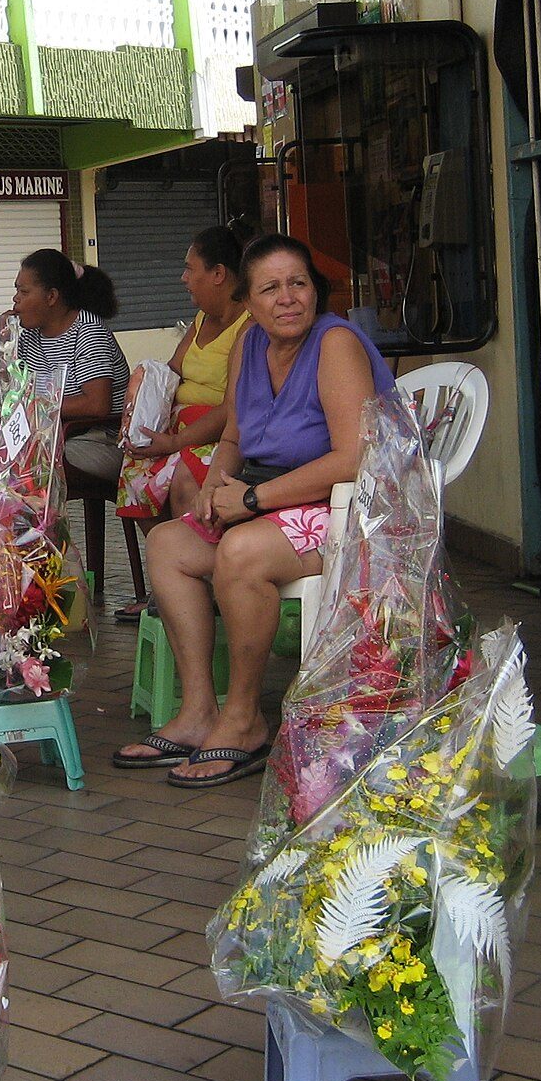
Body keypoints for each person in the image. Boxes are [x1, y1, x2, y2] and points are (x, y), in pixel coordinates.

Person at [113, 234, 394, 788]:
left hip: (344, 510)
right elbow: (236, 439)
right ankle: (198, 712)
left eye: (298, 283)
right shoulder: (252, 347)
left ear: (316, 291)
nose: (287, 298)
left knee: (240, 553)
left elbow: (354, 457)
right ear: (250, 302)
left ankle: (242, 720)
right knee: (169, 543)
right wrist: (212, 490)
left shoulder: (334, 343)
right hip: (267, 500)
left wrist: (251, 500)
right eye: (270, 288)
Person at [114, 225, 252, 620]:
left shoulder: (249, 328)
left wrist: (177, 443)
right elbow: (172, 372)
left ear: (219, 274)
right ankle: (168, 578)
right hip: (180, 429)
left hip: (215, 435)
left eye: (191, 269)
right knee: (136, 469)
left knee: (180, 475)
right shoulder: (200, 319)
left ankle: (196, 582)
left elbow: (233, 408)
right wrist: (141, 389)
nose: (184, 278)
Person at [11, 249, 129, 483]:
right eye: (16, 290)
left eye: (24, 292)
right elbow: (13, 394)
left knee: (26, 465)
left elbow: (97, 405)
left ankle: (33, 519)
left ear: (51, 297)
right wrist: (3, 342)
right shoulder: (27, 337)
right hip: (54, 434)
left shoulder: (88, 331)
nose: (16, 299)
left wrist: (37, 408)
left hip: (101, 439)